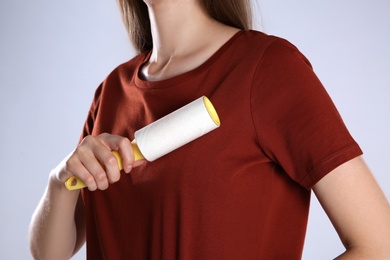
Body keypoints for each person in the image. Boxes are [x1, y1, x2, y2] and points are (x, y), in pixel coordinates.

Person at [29, 0, 390, 259]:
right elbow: (49, 254)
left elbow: (379, 243)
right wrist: (60, 181)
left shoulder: (268, 69)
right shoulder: (112, 90)